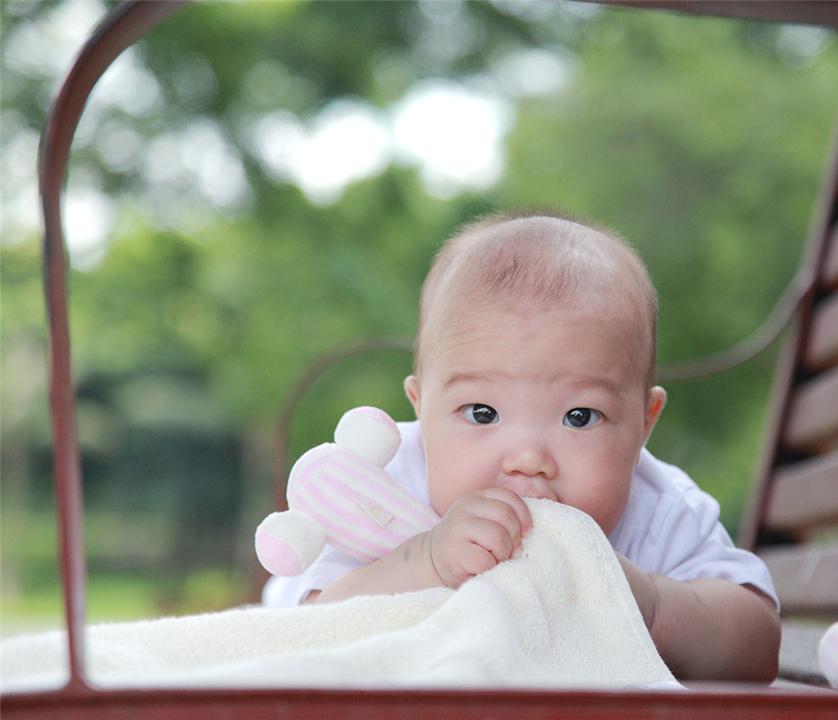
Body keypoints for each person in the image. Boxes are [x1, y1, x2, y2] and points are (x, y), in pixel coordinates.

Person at [263, 211, 780, 681]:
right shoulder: (387, 480)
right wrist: (425, 561)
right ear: (422, 409)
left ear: (644, 424)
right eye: (481, 413)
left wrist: (648, 605)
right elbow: (311, 622)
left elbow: (757, 642)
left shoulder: (659, 507)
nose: (529, 459)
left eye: (580, 417)